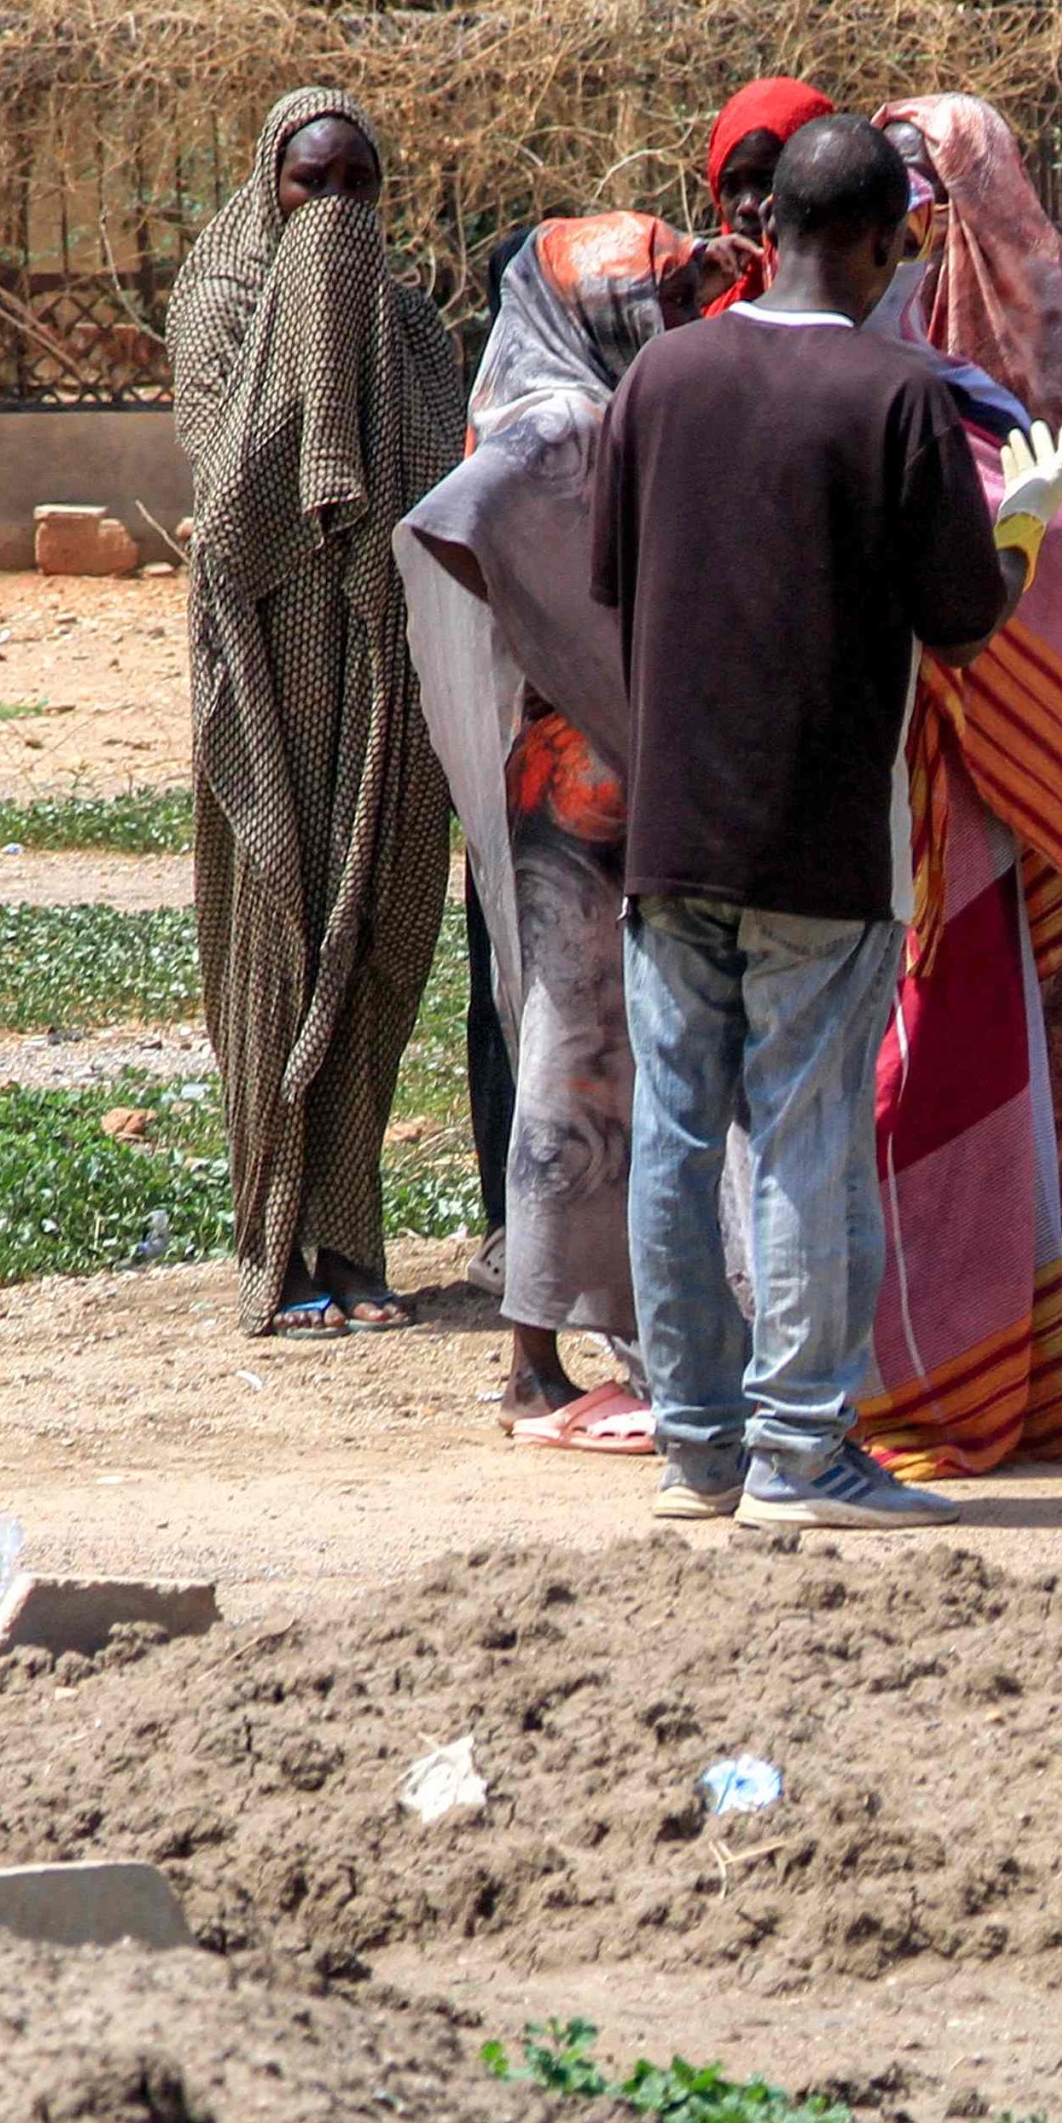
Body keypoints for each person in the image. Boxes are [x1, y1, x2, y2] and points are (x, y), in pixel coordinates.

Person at [589, 114, 1062, 1530]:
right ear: (881, 238)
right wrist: (1028, 516)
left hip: (671, 828)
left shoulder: (662, 376)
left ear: (767, 227)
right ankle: (800, 1452)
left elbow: (615, 572)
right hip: (819, 837)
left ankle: (697, 1448)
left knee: (679, 1140)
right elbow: (965, 616)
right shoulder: (896, 395)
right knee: (806, 1138)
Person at [872, 97, 1062, 1382]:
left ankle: (1036, 1273)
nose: (919, 219)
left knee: (1046, 986)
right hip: (910, 715)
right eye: (898, 195)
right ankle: (926, 1271)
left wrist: (1024, 510)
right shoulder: (873, 326)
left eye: (936, 190)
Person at [171, 89, 463, 1339]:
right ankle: (271, 1246)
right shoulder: (219, 309)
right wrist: (312, 367)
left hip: (387, 672)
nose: (335, 217)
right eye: (311, 187)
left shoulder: (417, 337)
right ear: (267, 186)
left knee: (377, 941)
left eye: (357, 191)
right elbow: (238, 515)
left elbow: (441, 500)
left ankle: (347, 1236)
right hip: (262, 673)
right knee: (272, 941)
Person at [402, 209, 697, 1446]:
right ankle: (533, 1359)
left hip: (590, 763)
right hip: (576, 784)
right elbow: (455, 526)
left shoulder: (579, 399)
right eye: (659, 294)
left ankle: (624, 1338)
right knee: (576, 1059)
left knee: (607, 1060)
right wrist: (577, 652)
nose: (675, 314)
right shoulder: (562, 419)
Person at [697, 77, 836, 315]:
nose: (748, 206)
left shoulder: (862, 292)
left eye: (765, 181)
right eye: (731, 186)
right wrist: (692, 295)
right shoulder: (705, 298)